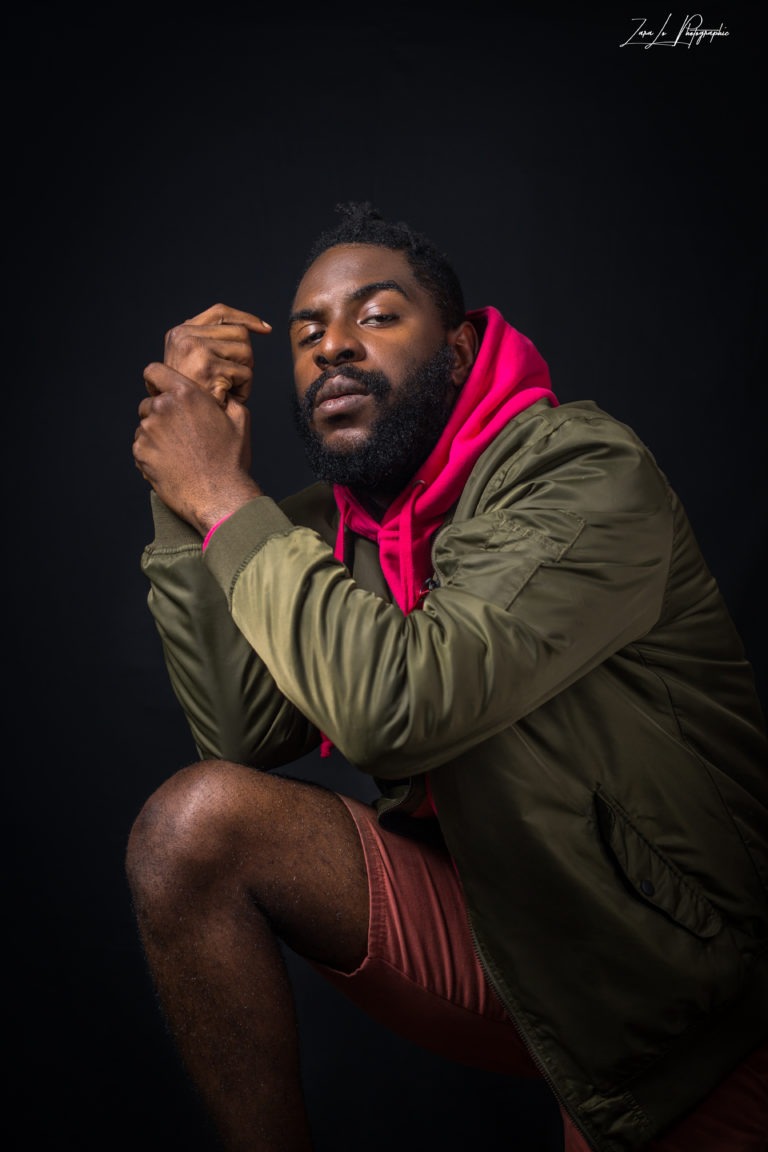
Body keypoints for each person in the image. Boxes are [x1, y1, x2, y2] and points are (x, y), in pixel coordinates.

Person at [128, 201, 768, 1152]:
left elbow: (397, 707)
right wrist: (188, 501)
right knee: (193, 827)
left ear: (460, 349)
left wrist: (224, 497)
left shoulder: (581, 471)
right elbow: (242, 731)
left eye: (376, 316)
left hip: (673, 992)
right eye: (305, 335)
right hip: (497, 929)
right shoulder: (332, 527)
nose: (332, 346)